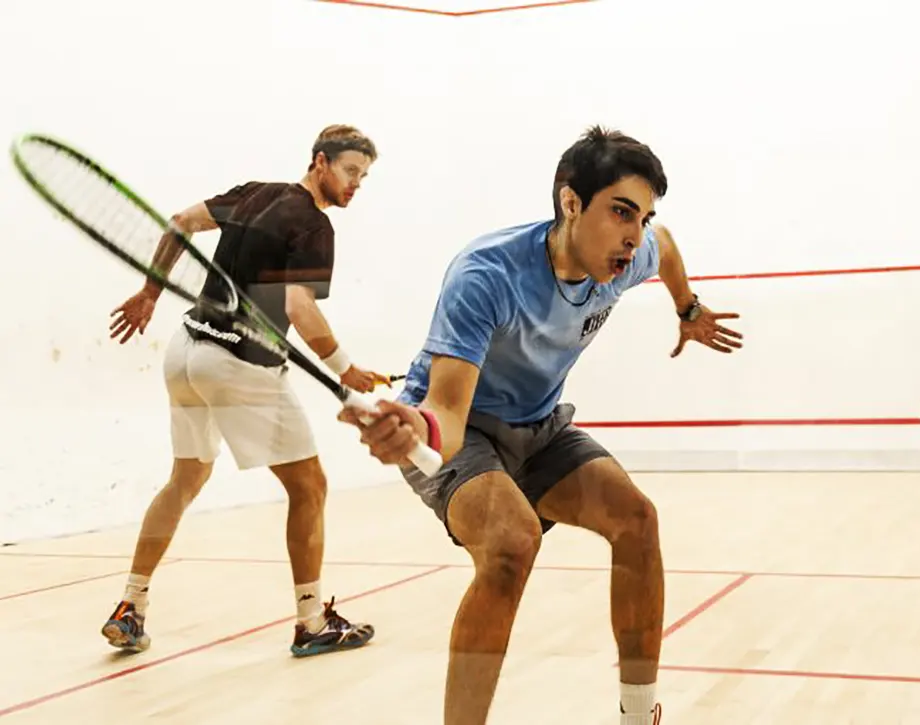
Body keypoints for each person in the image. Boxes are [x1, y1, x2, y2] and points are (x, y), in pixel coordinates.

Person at [337, 126, 744, 724]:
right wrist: (415, 430)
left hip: (539, 426)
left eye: (643, 216)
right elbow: (448, 414)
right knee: (511, 543)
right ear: (570, 202)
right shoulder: (487, 274)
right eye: (621, 213)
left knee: (637, 521)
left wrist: (688, 309)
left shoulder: (632, 255)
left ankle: (638, 715)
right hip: (454, 426)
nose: (634, 237)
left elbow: (669, 247)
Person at [102, 124, 388, 658]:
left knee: (185, 479)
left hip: (186, 349)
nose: (356, 184)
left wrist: (150, 291)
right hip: (238, 363)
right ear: (320, 162)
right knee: (309, 488)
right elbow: (300, 307)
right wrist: (345, 369)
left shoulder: (254, 192)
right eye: (350, 171)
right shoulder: (314, 226)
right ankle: (311, 622)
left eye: (364, 177)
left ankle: (131, 605)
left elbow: (180, 223)